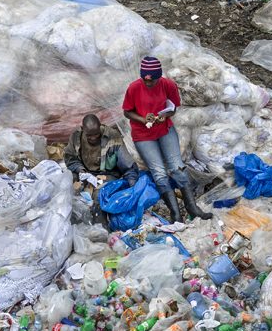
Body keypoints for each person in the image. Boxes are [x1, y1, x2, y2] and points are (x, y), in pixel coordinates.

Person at [122, 55, 212, 223]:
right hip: (143, 135)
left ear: (159, 77)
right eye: (145, 79)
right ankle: (175, 213)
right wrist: (143, 119)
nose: (148, 83)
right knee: (159, 172)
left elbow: (173, 108)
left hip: (164, 129)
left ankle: (192, 207)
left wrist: (166, 115)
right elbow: (127, 112)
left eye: (152, 80)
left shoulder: (168, 85)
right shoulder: (134, 88)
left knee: (177, 167)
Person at [64, 114, 139, 186]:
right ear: (83, 129)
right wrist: (81, 170)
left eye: (96, 134)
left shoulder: (113, 136)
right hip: (85, 173)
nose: (93, 138)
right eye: (89, 135)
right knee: (70, 182)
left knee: (102, 191)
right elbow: (70, 160)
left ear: (100, 126)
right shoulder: (76, 137)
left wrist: (132, 185)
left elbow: (128, 166)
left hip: (107, 175)